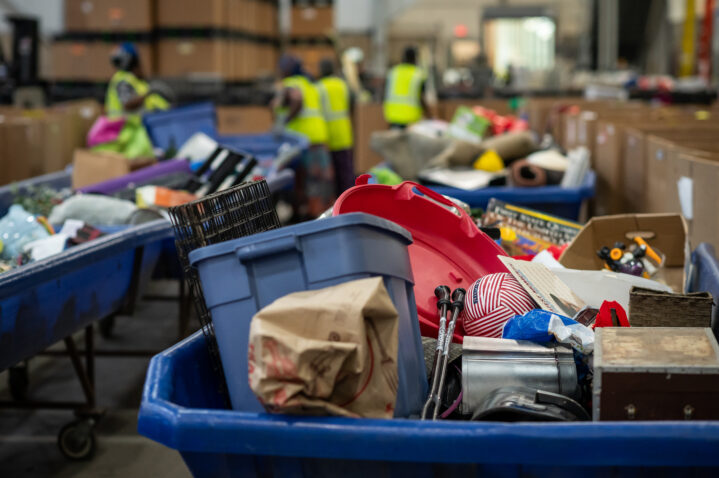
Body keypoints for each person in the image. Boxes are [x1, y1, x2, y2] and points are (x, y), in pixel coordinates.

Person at [271, 55, 334, 219]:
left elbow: (296, 100)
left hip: (304, 140)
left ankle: (309, 216)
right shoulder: (310, 84)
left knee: (307, 179)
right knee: (320, 180)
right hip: (319, 136)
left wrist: (285, 119)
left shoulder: (291, 84)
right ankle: (322, 214)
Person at [316, 58, 355, 195]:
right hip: (344, 134)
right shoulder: (343, 85)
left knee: (331, 176)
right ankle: (348, 199)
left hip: (327, 136)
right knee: (346, 173)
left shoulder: (319, 87)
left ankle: (336, 205)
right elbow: (351, 106)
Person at [106, 42, 169, 117]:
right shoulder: (123, 80)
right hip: (126, 127)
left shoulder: (136, 81)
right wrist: (149, 93)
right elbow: (127, 104)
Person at [383, 46, 431, 129]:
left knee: (396, 141)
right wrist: (429, 114)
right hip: (412, 117)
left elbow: (385, 92)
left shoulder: (393, 72)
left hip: (393, 115)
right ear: (416, 58)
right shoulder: (419, 74)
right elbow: (422, 97)